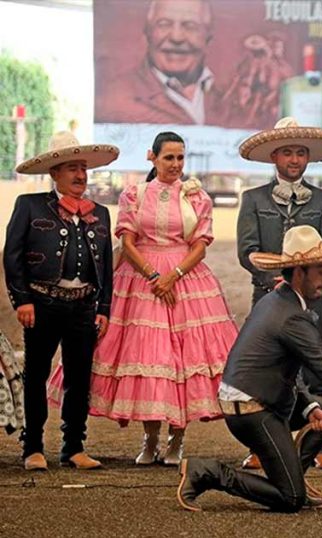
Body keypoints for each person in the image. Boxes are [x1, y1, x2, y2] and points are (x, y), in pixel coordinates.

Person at [176, 226, 322, 512]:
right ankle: (208, 472)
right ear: (299, 273)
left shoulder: (277, 300)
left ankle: (290, 477)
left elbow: (290, 371)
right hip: (251, 411)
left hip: (260, 399)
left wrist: (310, 408)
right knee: (291, 500)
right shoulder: (291, 317)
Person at [56, 131, 237, 467]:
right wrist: (154, 276)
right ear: (152, 158)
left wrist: (174, 275)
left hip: (186, 279)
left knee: (184, 359)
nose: (176, 164)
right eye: (169, 157)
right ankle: (150, 438)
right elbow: (127, 240)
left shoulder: (196, 196)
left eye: (181, 157)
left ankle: (177, 440)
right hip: (141, 279)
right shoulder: (135, 194)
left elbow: (200, 244)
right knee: (149, 358)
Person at [4, 131, 119, 470]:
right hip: (41, 304)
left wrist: (103, 308)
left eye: (83, 168)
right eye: (72, 168)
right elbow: (13, 256)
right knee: (36, 375)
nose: (80, 175)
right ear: (55, 172)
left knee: (79, 378)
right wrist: (22, 300)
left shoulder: (100, 212)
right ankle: (33, 447)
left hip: (83, 307)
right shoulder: (30, 205)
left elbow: (106, 266)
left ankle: (73, 446)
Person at [235, 116, 322, 471]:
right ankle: (261, 445)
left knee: (316, 367)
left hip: (312, 300)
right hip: (267, 298)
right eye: (287, 153)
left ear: (308, 158)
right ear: (274, 158)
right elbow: (246, 251)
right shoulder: (253, 199)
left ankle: (318, 443)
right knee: (270, 372)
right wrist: (278, 277)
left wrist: (302, 280)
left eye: (300, 153)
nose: (294, 159)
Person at [96, 0, 224, 126]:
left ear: (208, 38)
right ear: (148, 34)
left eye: (190, 26)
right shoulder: (115, 98)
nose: (176, 37)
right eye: (164, 24)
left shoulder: (229, 97)